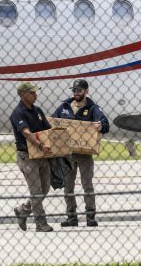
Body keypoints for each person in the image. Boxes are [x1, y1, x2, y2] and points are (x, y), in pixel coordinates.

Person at [52, 78, 110, 227]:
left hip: (84, 154)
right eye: (74, 90)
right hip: (68, 154)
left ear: (86, 91)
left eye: (79, 90)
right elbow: (52, 121)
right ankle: (72, 217)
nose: (76, 93)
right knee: (68, 186)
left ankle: (90, 216)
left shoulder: (93, 108)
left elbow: (105, 123)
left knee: (87, 185)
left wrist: (100, 125)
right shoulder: (64, 107)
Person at [10, 82, 55, 232]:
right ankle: (40, 223)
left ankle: (23, 210)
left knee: (45, 188)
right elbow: (26, 132)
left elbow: (48, 129)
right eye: (32, 93)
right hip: (27, 156)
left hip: (42, 155)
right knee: (36, 191)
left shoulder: (38, 111)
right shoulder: (18, 113)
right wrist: (41, 145)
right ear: (23, 95)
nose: (35, 95)